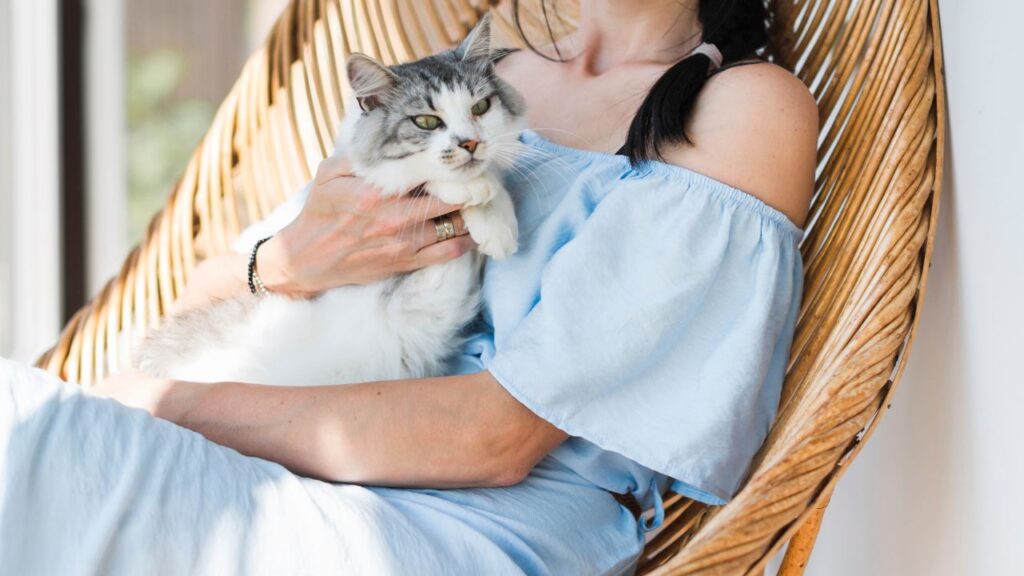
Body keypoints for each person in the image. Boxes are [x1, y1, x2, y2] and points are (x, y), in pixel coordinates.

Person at [0, 1, 817, 574]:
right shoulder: (469, 76)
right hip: (286, 458)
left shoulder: (740, 106)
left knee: (29, 437)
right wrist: (289, 262)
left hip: (450, 528)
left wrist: (170, 407)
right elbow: (197, 307)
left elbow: (495, 441)